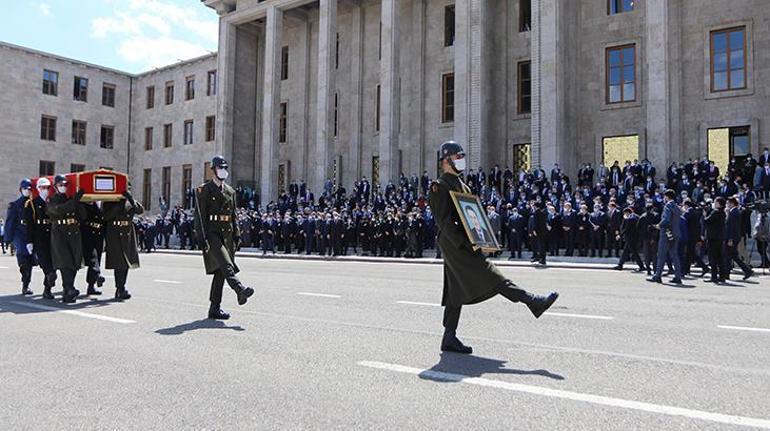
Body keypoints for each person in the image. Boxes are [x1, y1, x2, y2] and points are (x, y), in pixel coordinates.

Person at [429, 141, 558, 354]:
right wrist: (466, 244)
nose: (461, 160)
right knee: (491, 275)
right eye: (457, 157)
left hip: (467, 240)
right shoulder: (440, 186)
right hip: (455, 243)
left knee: (455, 289)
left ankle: (449, 337)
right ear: (446, 160)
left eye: (462, 156)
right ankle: (532, 301)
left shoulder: (464, 185)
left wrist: (482, 238)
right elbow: (443, 221)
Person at [194, 156, 255, 320]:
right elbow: (199, 216)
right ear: (213, 170)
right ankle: (239, 289)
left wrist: (237, 234)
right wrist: (201, 237)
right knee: (226, 264)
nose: (223, 171)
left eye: (225, 168)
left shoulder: (230, 191)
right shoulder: (204, 190)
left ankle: (214, 308)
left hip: (227, 233)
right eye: (220, 168)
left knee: (221, 272)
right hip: (212, 233)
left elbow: (233, 215)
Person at [47, 175, 86, 303]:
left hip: (73, 232)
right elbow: (59, 210)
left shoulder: (71, 199)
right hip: (60, 234)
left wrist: (80, 202)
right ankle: (68, 288)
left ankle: (68, 291)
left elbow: (83, 216)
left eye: (65, 185)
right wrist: (75, 200)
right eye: (60, 185)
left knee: (74, 262)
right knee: (65, 262)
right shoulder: (51, 200)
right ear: (55, 187)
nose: (63, 187)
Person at [102, 190, 144, 300]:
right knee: (118, 262)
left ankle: (121, 287)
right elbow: (105, 216)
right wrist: (118, 206)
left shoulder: (130, 202)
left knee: (126, 263)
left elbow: (140, 210)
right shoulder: (110, 201)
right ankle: (120, 288)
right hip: (115, 233)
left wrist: (130, 199)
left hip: (127, 233)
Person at [23, 178, 57, 299]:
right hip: (39, 237)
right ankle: (50, 276)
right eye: (43, 188)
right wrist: (29, 241)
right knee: (46, 263)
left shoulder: (52, 202)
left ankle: (47, 289)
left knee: (53, 263)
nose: (46, 190)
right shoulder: (31, 204)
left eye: (48, 188)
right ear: (38, 189)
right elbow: (29, 224)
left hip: (52, 237)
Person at [5, 179, 36, 295]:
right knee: (23, 255)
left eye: (29, 189)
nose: (27, 191)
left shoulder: (34, 203)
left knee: (30, 259)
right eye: (25, 189)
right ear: (20, 190)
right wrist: (8, 238)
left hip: (30, 233)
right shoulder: (15, 205)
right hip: (19, 233)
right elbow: (10, 222)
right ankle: (23, 270)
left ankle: (26, 285)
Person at [647, 190, 683, 284]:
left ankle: (657, 275)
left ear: (667, 197)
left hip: (666, 233)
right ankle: (678, 277)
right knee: (674, 255)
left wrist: (659, 225)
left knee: (661, 255)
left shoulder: (668, 205)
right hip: (675, 233)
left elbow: (666, 219)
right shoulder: (677, 207)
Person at [80, 201, 106, 296]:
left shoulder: (103, 203)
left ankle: (91, 285)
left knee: (97, 258)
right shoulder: (85, 203)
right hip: (88, 234)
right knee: (93, 258)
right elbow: (82, 217)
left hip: (99, 234)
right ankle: (97, 275)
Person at [725, 197, 754, 280]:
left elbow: (732, 227)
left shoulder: (734, 212)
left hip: (732, 237)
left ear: (732, 203)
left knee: (730, 256)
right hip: (734, 237)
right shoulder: (733, 212)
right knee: (732, 256)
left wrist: (730, 239)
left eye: (728, 203)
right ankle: (746, 270)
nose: (727, 205)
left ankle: (746, 270)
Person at [703, 197, 726, 283]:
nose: (714, 204)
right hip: (719, 237)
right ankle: (722, 276)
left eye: (716, 202)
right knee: (720, 258)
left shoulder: (715, 212)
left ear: (719, 203)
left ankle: (714, 276)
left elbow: (707, 221)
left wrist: (705, 214)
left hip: (712, 238)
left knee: (712, 258)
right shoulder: (723, 212)